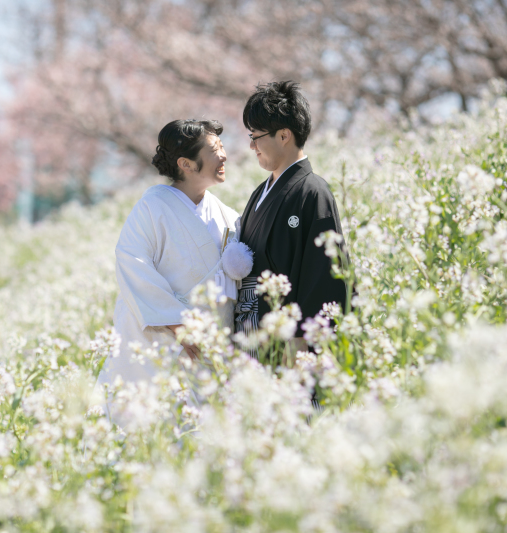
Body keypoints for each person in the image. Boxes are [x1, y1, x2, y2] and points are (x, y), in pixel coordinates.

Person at [97, 119, 247, 398]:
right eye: (214, 150)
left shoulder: (228, 215)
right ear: (186, 164)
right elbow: (132, 264)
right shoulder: (152, 207)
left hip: (211, 344)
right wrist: (179, 324)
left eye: (222, 147)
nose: (224, 155)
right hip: (162, 337)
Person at [235, 81, 347, 364]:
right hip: (253, 331)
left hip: (290, 343)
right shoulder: (259, 193)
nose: (251, 145)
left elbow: (322, 274)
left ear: (284, 135)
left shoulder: (313, 192)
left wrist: (301, 341)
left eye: (255, 136)